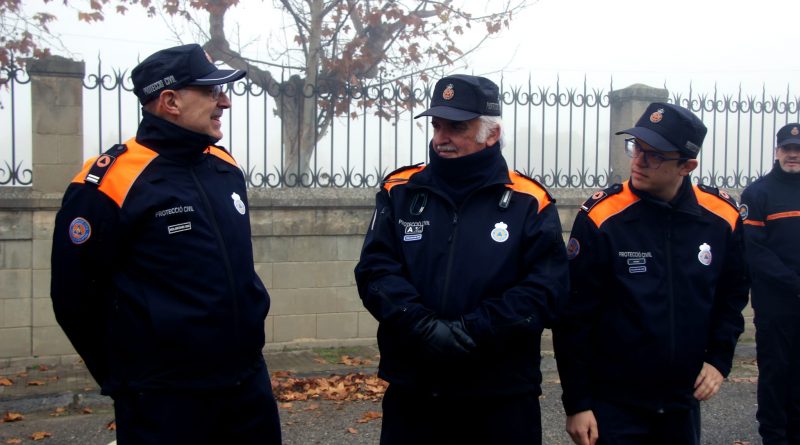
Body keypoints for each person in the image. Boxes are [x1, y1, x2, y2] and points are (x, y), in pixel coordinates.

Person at [50, 44, 281, 444]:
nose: (224, 101)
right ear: (170, 101)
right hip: (165, 399)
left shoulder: (224, 167)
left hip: (247, 385)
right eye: (211, 91)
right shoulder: (108, 183)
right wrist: (128, 379)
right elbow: (74, 297)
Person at [354, 74, 569, 444]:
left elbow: (546, 289)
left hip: (501, 397)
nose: (441, 138)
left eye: (456, 127)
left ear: (491, 133)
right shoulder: (400, 191)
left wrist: (475, 329)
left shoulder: (529, 201)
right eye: (437, 126)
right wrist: (421, 326)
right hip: (415, 393)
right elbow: (375, 271)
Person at [554, 102, 750, 445]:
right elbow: (574, 317)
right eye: (636, 147)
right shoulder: (602, 217)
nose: (639, 161)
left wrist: (719, 360)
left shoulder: (721, 217)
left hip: (682, 402)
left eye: (654, 155)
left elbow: (731, 296)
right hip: (614, 403)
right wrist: (578, 402)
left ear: (686, 166)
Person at [740, 123, 800, 445]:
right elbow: (755, 250)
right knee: (776, 375)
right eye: (787, 148)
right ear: (777, 152)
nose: (793, 155)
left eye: (798, 149)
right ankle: (774, 437)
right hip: (776, 305)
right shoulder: (758, 193)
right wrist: (793, 283)